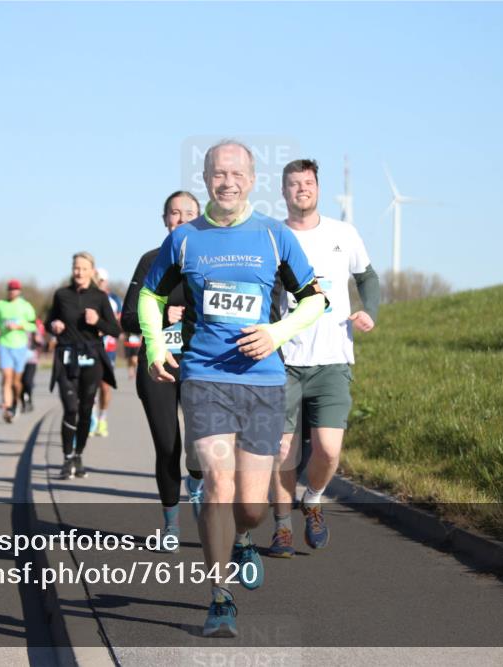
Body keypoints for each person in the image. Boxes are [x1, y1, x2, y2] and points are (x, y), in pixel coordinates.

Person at [138, 141, 327, 637]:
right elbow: (150, 294)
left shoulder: (273, 236)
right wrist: (157, 346)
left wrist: (276, 333)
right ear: (205, 179)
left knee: (251, 505)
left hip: (263, 383)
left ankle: (244, 537)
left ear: (251, 178)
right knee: (218, 484)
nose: (227, 182)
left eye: (236, 173)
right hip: (204, 379)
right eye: (218, 174)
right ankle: (219, 596)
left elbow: (314, 301)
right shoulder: (184, 240)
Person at [269, 159, 380, 557]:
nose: (302, 189)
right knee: (283, 450)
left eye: (309, 183)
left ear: (317, 188)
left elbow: (367, 277)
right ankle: (281, 527)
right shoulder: (273, 235)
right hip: (284, 360)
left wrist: (370, 311)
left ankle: (312, 500)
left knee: (329, 450)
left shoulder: (342, 233)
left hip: (334, 358)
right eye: (294, 184)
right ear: (284, 192)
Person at [122, 190, 203, 549]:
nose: (181, 218)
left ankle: (198, 483)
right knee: (167, 445)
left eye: (189, 213)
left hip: (201, 364)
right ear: (164, 219)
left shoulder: (211, 261)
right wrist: (160, 313)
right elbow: (126, 317)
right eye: (174, 213)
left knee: (202, 446)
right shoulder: (151, 260)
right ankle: (171, 523)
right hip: (158, 366)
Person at [46, 252, 121, 480]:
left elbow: (115, 331)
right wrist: (54, 325)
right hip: (66, 356)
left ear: (92, 271)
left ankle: (78, 455)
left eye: (83, 268)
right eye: (76, 268)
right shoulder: (61, 295)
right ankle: (67, 457)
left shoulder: (100, 297)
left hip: (91, 358)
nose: (79, 272)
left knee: (86, 410)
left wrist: (97, 321)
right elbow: (50, 321)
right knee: (70, 408)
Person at [0, 279, 37, 423]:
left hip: (20, 346)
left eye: (15, 289)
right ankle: (8, 407)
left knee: (17, 382)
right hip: (4, 345)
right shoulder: (0, 305)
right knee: (6, 377)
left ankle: (16, 401)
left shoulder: (26, 306)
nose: (13, 292)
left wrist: (20, 326)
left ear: (19, 291)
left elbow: (34, 326)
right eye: (10, 289)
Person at [92, 268, 122, 437]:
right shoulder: (86, 297)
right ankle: (91, 418)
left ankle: (102, 419)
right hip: (89, 347)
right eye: (97, 280)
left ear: (106, 282)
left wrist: (105, 328)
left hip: (108, 348)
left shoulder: (114, 299)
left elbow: (120, 324)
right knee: (90, 386)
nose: (99, 283)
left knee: (104, 386)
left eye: (102, 280)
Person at [20, 319, 45, 413]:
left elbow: (42, 343)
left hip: (31, 360)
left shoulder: (34, 329)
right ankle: (23, 402)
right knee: (20, 383)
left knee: (28, 381)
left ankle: (29, 399)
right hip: (19, 360)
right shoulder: (17, 329)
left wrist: (38, 340)